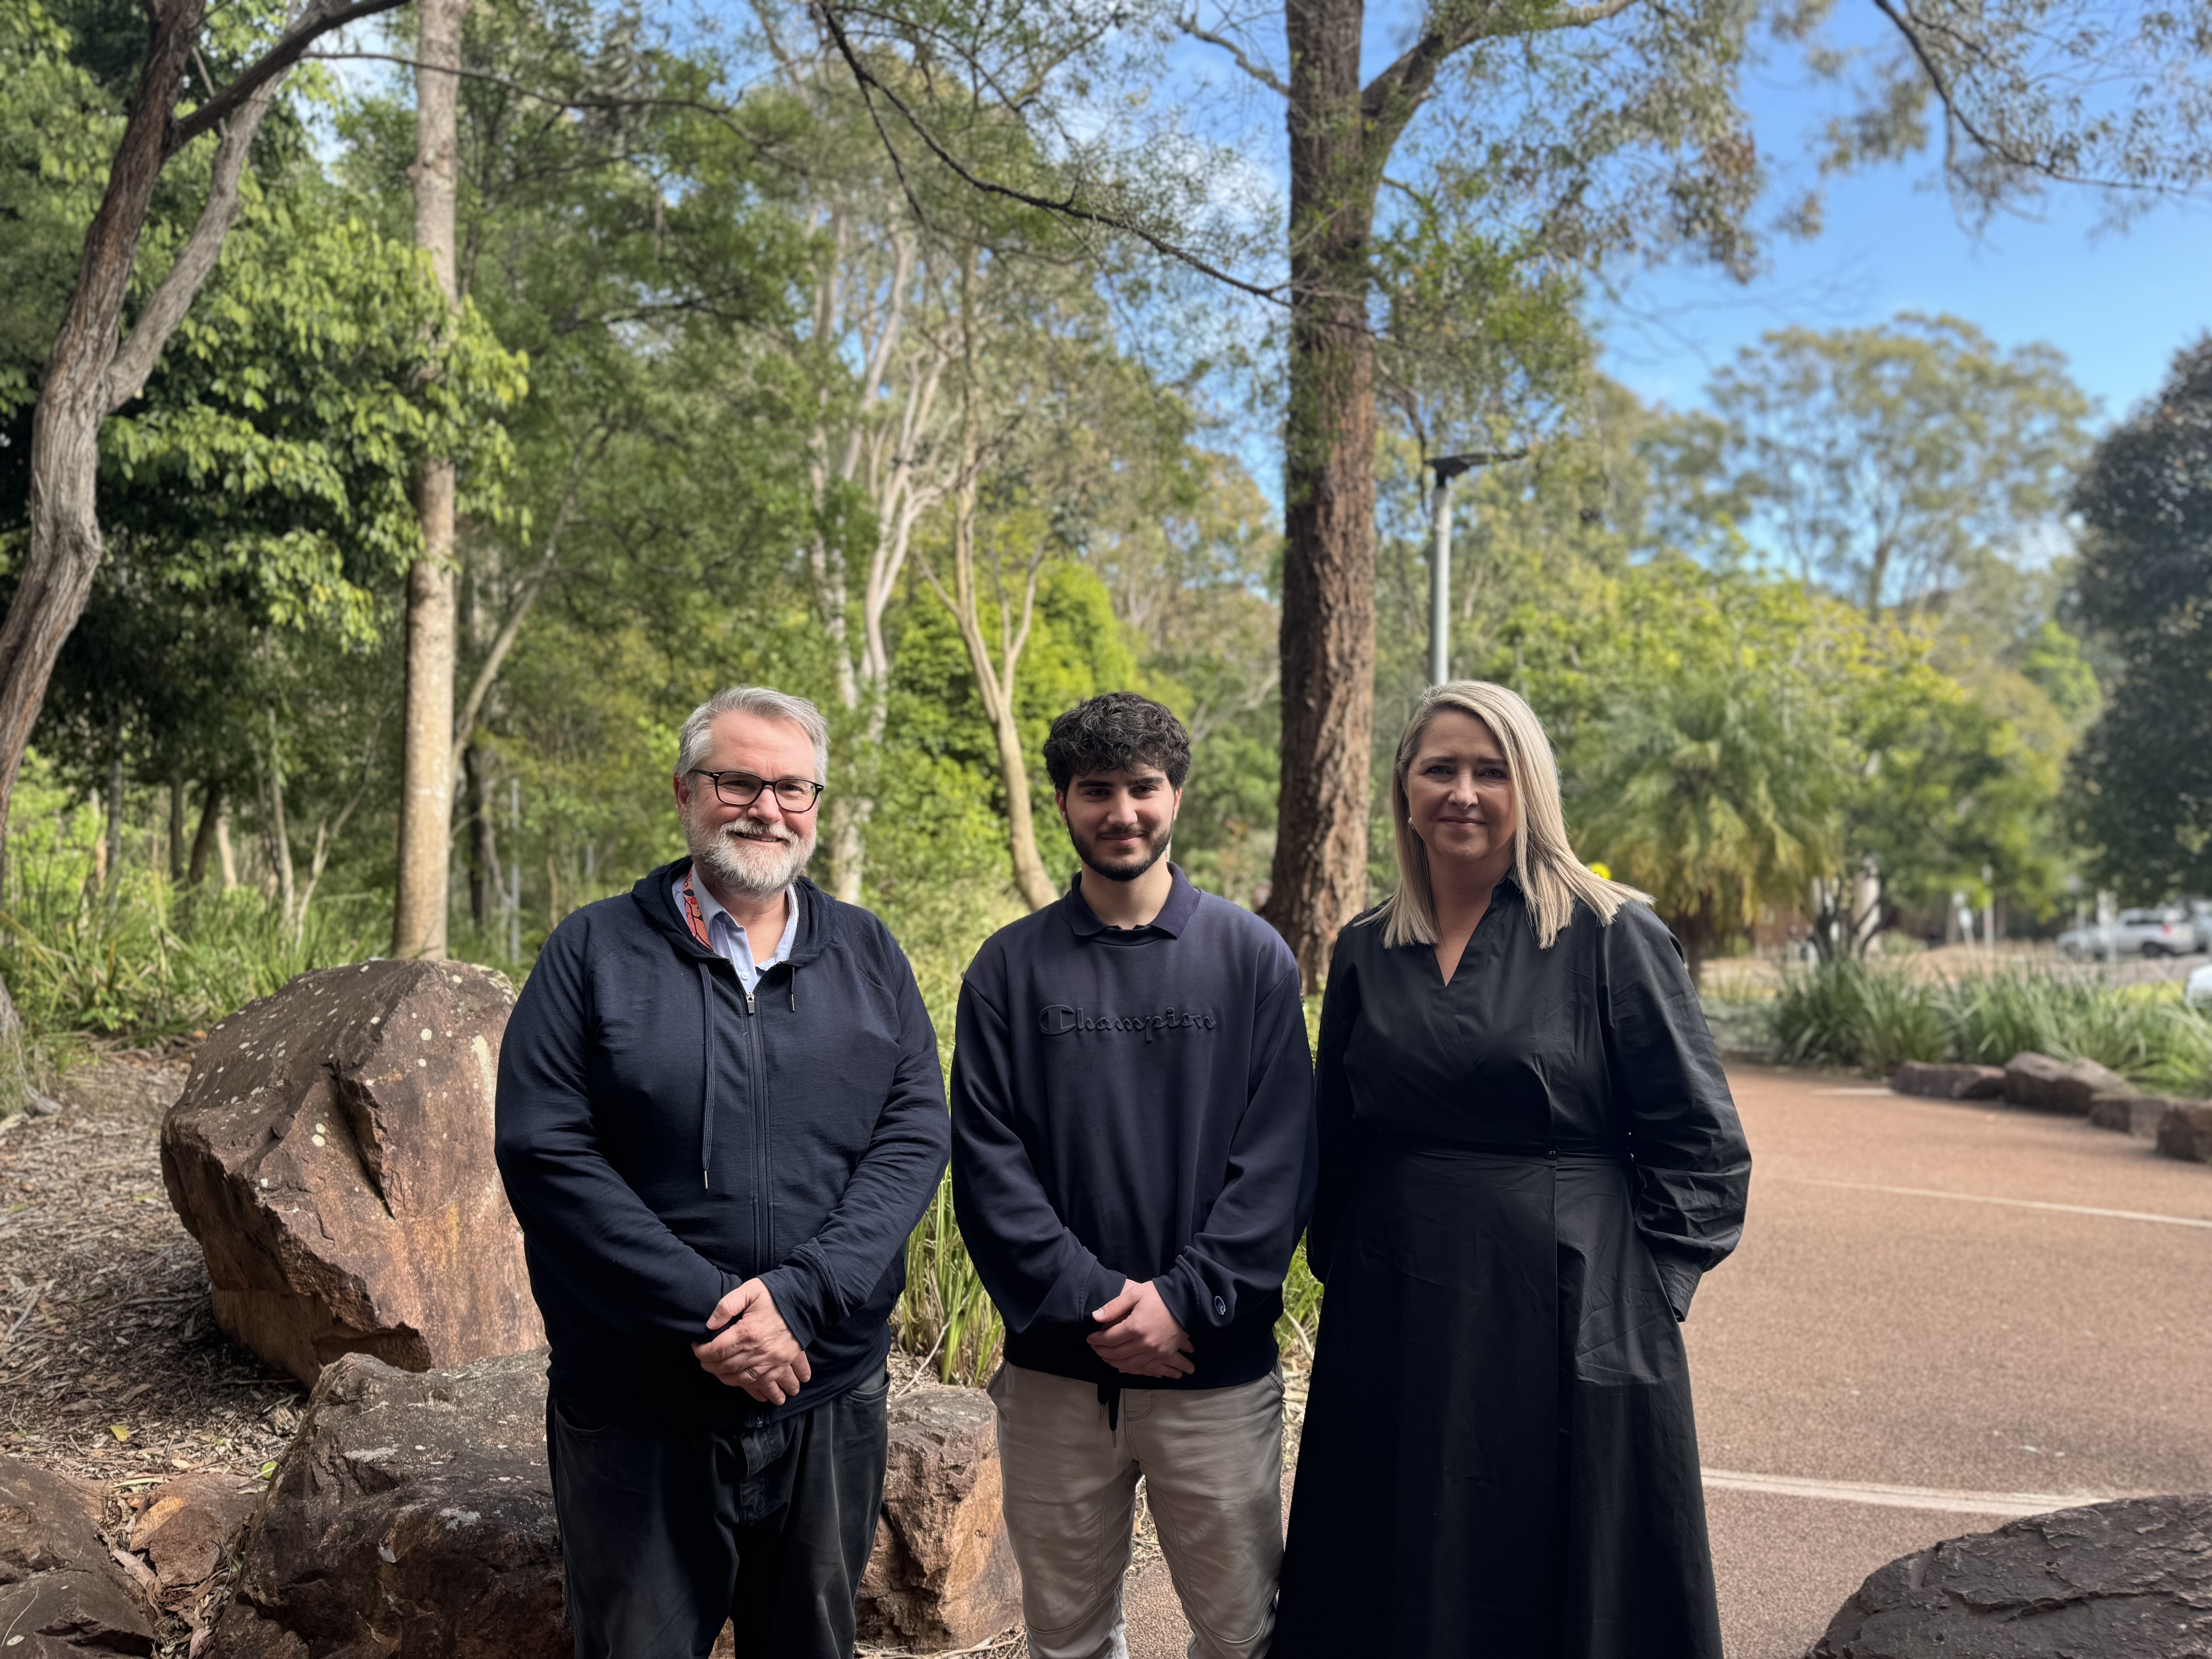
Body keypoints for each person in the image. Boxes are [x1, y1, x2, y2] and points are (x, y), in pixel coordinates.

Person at [1273, 680, 1752, 1659]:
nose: (1465, 792)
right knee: (1396, 1549)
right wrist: (1347, 1272)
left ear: (1529, 789)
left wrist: (1638, 1292)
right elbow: (1339, 1133)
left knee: (1562, 1563)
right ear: (1404, 789)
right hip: (1399, 1308)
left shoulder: (1612, 932)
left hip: (1574, 1308)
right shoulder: (1367, 947)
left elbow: (1702, 1144)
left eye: (1491, 771)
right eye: (1440, 769)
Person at [494, 686, 950, 1659]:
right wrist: (714, 1311)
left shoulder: (870, 955)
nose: (767, 808)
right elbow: (545, 1151)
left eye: (793, 787)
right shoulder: (591, 953)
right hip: (638, 1406)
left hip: (826, 1398)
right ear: (685, 792)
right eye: (737, 780)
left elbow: (913, 1137)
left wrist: (802, 1299)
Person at [950, 692, 1315, 1659]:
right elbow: (989, 1169)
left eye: (1143, 787)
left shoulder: (1252, 960)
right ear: (1064, 803)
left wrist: (1185, 1304)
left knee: (1242, 1636)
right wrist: (1101, 1309)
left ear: (1177, 795)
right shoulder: (1007, 971)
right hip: (1058, 1380)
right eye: (1096, 790)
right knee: (1067, 1638)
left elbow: (1279, 1163)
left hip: (1215, 1373)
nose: (1123, 811)